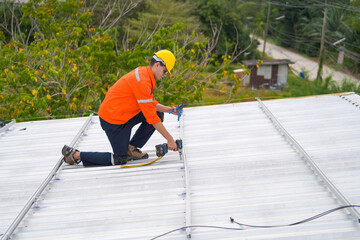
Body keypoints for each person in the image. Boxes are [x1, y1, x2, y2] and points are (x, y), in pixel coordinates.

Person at [61, 50, 180, 167]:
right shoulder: (142, 80)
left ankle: (131, 149)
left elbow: (149, 103)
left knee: (158, 113)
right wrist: (170, 139)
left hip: (123, 115)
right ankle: (74, 155)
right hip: (112, 121)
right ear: (157, 64)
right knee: (120, 159)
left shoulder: (145, 74)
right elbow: (151, 117)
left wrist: (170, 110)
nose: (165, 75)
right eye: (165, 71)